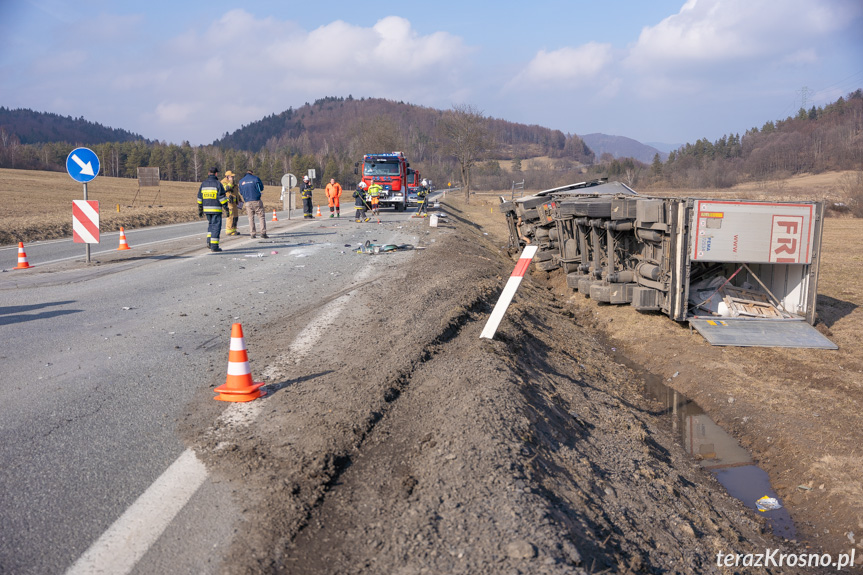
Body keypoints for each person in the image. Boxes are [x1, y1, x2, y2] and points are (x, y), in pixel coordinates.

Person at [197, 166, 228, 251]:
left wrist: (200, 209)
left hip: (206, 209)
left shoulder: (203, 184)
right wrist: (226, 208)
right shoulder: (218, 184)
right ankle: (214, 246)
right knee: (216, 227)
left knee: (210, 226)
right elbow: (222, 198)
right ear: (216, 174)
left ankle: (209, 242)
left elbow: (200, 197)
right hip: (216, 210)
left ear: (208, 173)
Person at [239, 169, 267, 239]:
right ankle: (263, 233)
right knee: (261, 217)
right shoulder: (256, 178)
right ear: (252, 173)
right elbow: (261, 188)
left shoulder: (241, 181)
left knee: (250, 218)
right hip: (256, 200)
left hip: (247, 202)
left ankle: (252, 234)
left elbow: (241, 192)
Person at [221, 170, 242, 235]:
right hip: (229, 203)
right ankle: (229, 230)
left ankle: (234, 229)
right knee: (230, 216)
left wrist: (239, 198)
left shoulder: (233, 183)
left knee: (235, 217)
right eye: (231, 176)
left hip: (234, 203)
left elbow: (236, 191)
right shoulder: (223, 182)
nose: (232, 178)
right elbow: (227, 189)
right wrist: (230, 181)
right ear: (227, 176)